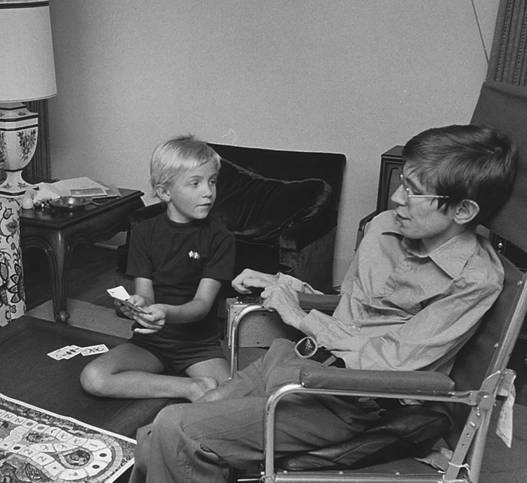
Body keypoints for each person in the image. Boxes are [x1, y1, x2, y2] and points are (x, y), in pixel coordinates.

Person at [128, 124, 518, 482]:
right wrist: (284, 285)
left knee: (177, 428)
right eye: (403, 180)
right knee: (155, 434)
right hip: (297, 360)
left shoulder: (475, 279)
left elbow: (395, 362)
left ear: (463, 210)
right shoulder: (385, 227)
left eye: (414, 190)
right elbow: (348, 304)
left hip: (349, 398)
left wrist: (300, 316)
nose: (397, 197)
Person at [80, 135, 236, 401]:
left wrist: (166, 312)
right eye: (195, 183)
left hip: (199, 346)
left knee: (233, 398)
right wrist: (137, 306)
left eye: (212, 181)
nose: (208, 192)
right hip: (151, 343)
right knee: (93, 377)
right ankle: (190, 387)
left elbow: (201, 306)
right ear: (165, 192)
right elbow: (145, 295)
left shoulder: (221, 238)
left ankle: (195, 385)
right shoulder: (143, 233)